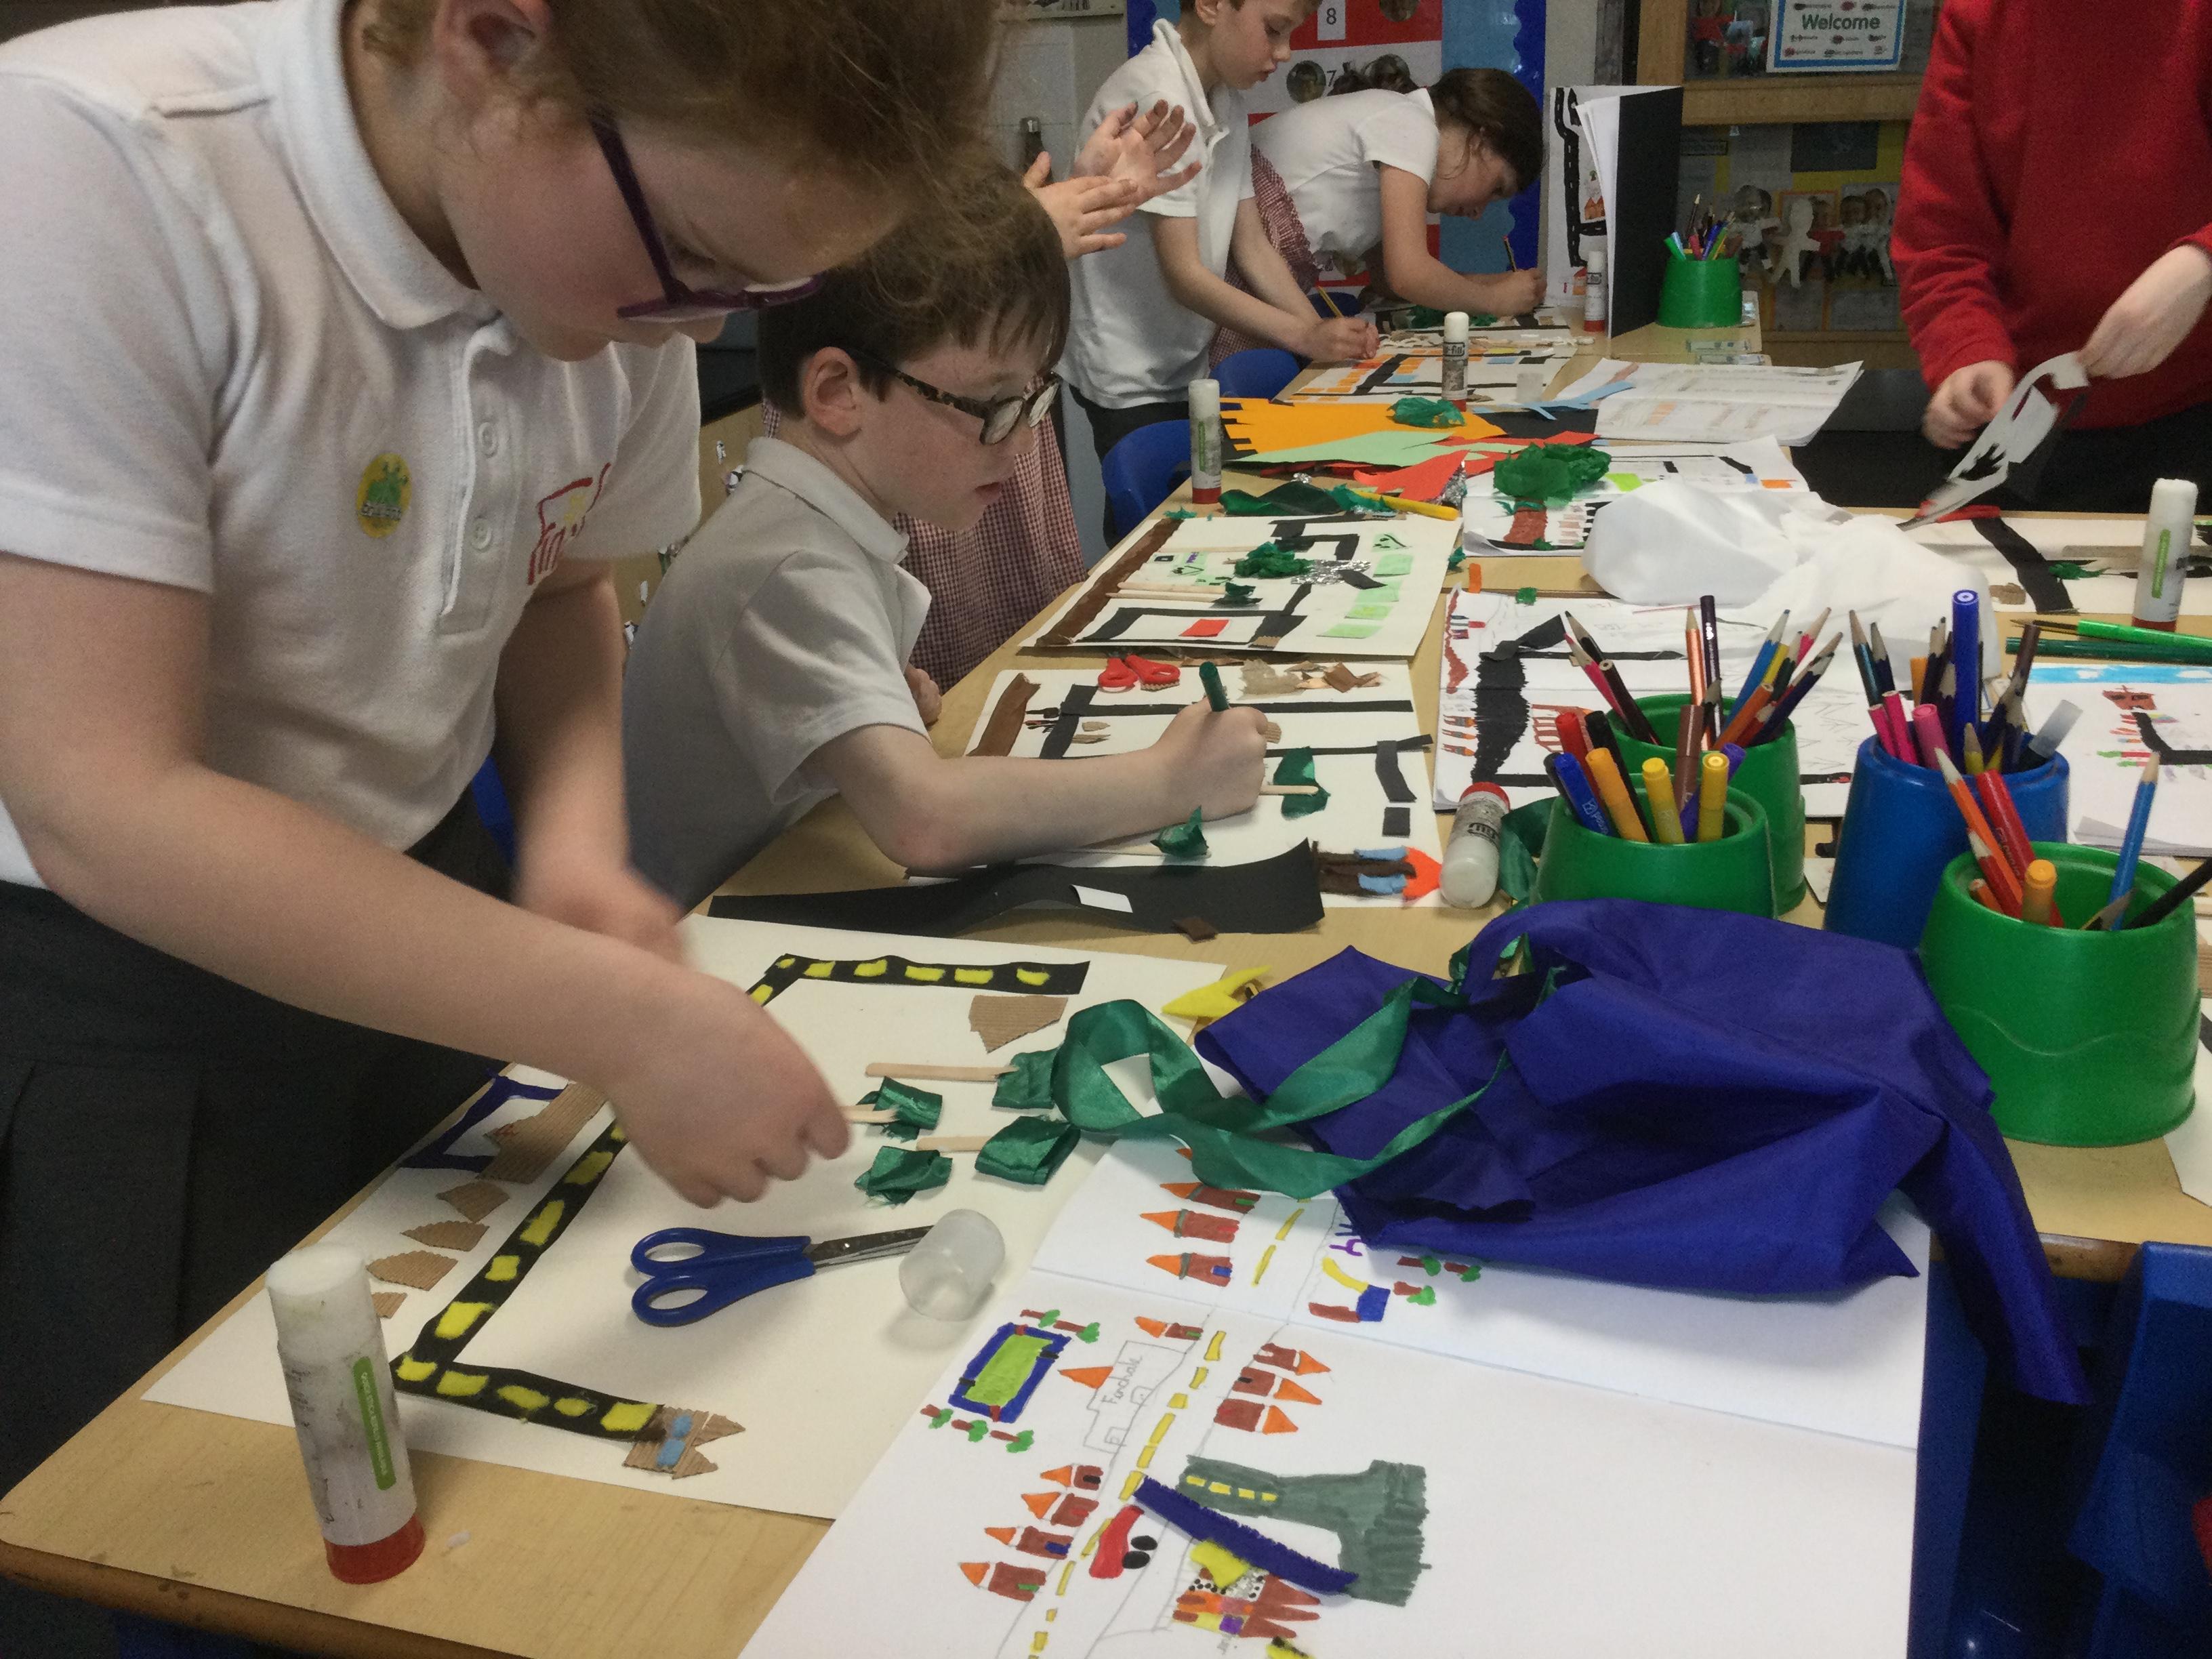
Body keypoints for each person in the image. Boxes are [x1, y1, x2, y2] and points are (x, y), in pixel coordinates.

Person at [0, 1, 994, 1647]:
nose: (696, 328)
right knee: (173, 1546)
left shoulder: (608, 274)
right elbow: (104, 800)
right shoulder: (92, 164)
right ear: (492, 41)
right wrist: (616, 1012)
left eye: (752, 290)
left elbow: (560, 579)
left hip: (427, 935)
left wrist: (576, 846)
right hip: (109, 1002)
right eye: (691, 257)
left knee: (469, 1500)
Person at [622, 165, 1269, 912]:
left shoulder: (806, 527)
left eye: (1031, 402)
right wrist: (1170, 781)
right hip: (705, 936)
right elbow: (924, 819)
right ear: (837, 393)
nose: (1019, 444)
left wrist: (868, 717)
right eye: (991, 405)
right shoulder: (788, 565)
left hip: (779, 886)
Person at [753, 102, 1204, 694]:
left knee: (1000, 650)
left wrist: (1054, 212)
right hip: (919, 396)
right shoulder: (798, 567)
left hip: (957, 392)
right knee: (944, 643)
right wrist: (1025, 232)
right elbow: (883, 268)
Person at [1894, 0, 2212, 508]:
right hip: (2024, 421)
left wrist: (2201, 263)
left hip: (2196, 412)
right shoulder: (1980, 15)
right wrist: (1966, 347)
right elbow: (1941, 233)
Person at [1063, 0, 1378, 464]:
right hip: (1129, 370)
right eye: (1274, 29)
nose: (1285, 52)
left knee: (1205, 489)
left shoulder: (1226, 101)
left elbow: (1251, 245)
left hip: (1180, 357)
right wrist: (1303, 337)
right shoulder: (1160, 94)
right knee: (1164, 502)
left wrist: (1317, 331)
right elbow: (1185, 276)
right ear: (1211, 6)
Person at [1216, 66, 1544, 360]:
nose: (1478, 213)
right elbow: (1409, 275)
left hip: (1254, 276)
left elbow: (1387, 279)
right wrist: (1494, 301)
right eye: (1496, 188)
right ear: (1481, 140)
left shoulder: (1400, 130)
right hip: (1235, 272)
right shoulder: (1413, 125)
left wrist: (1492, 284)